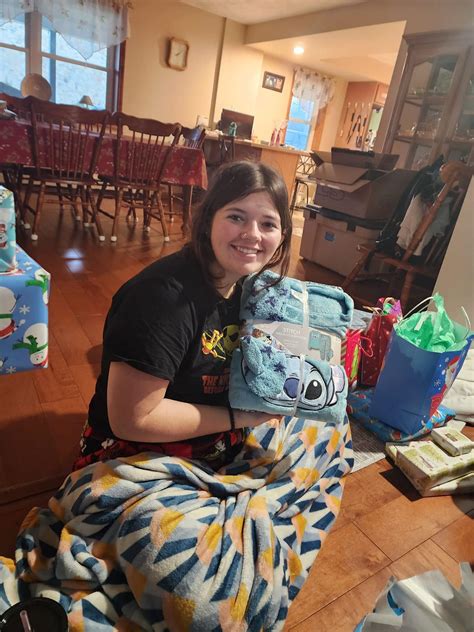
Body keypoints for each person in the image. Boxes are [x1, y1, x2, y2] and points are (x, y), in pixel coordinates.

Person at [73, 160, 293, 471]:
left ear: (282, 235)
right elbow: (132, 420)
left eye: (268, 224)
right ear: (208, 220)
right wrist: (243, 417)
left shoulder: (252, 289)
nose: (252, 234)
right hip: (138, 450)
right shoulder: (160, 298)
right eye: (236, 217)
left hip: (220, 435)